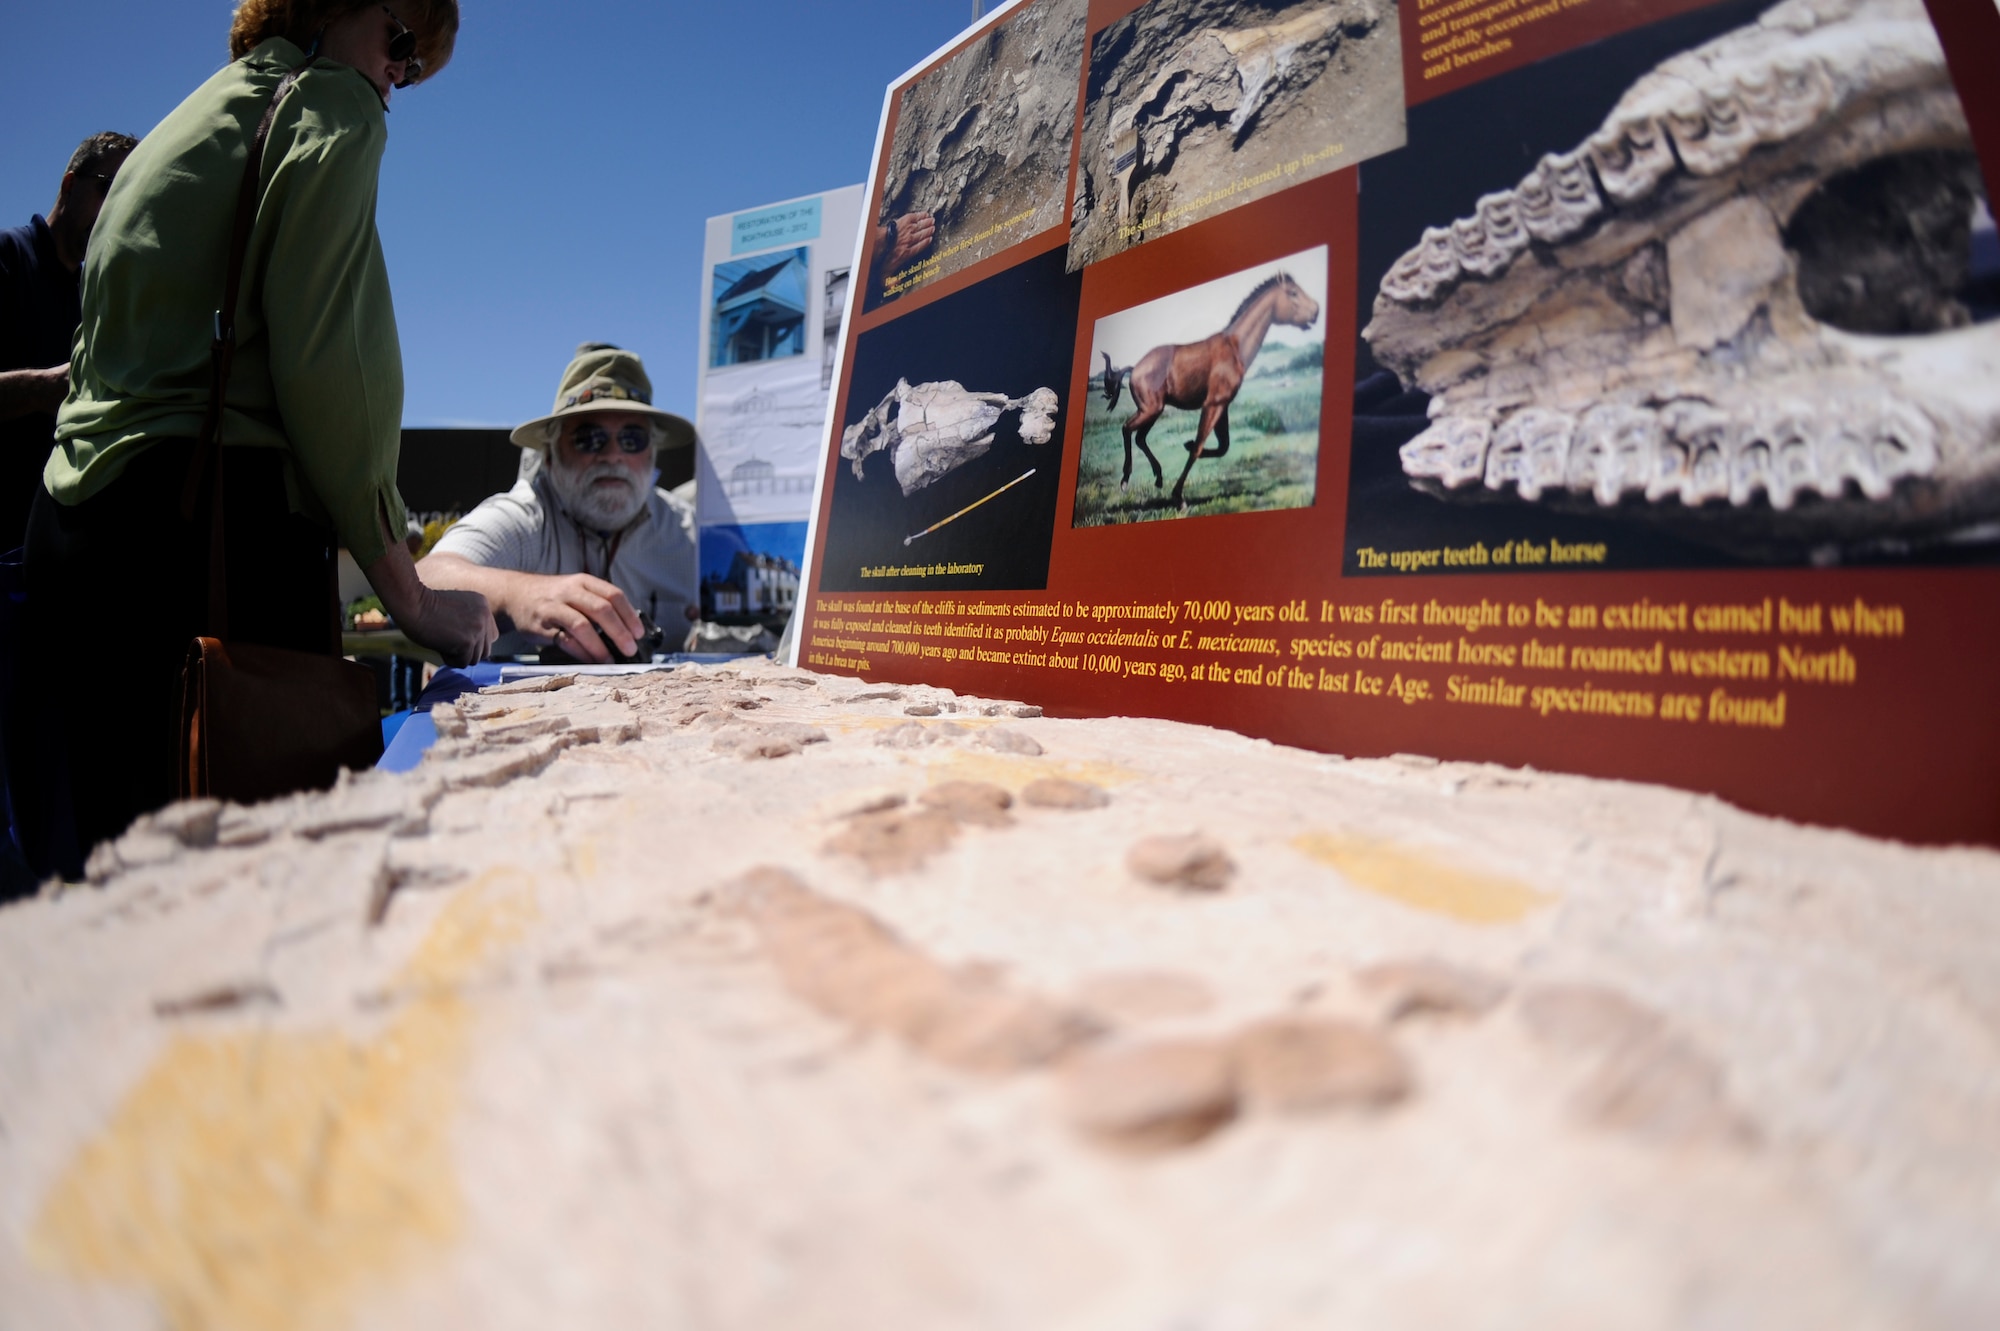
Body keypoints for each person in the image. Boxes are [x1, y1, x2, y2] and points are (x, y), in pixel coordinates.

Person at [12, 0, 494, 877]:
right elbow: (327, 377)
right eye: (399, 46)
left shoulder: (178, 128)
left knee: (113, 903)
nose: (395, 80)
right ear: (338, 10)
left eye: (411, 67)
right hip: (210, 551)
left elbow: (89, 364)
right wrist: (414, 599)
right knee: (256, 927)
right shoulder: (332, 105)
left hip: (78, 543)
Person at [418, 343, 700, 664]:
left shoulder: (689, 532)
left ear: (652, 453)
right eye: (589, 438)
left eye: (632, 438)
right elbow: (426, 578)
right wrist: (518, 594)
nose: (612, 454)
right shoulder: (526, 517)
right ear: (551, 454)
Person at [0, 132, 137, 552]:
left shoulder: (96, 294)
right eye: (106, 189)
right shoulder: (8, 255)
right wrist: (46, 388)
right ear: (68, 184)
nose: (112, 211)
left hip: (55, 549)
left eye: (126, 199)